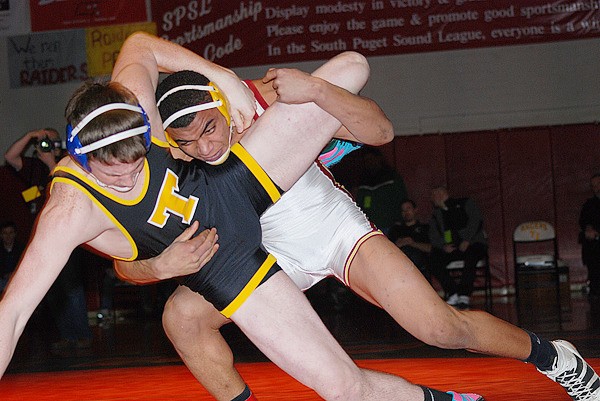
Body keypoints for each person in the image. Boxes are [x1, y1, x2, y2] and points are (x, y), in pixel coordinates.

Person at [0, 31, 484, 401]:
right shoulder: (69, 207)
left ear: (141, 124)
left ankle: (324, 147)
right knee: (342, 388)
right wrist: (155, 268)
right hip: (225, 261)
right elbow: (15, 310)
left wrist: (224, 78)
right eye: (112, 170)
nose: (127, 175)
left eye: (137, 157)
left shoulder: (132, 101)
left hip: (229, 179)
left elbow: (139, 44)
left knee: (350, 68)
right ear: (79, 156)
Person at [114, 50, 600, 401]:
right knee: (181, 317)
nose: (204, 147)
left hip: (332, 229)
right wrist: (157, 264)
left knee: (440, 327)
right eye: (188, 141)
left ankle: (551, 356)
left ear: (221, 106)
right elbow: (122, 257)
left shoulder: (261, 107)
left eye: (209, 129)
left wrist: (314, 90)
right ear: (170, 139)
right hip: (265, 258)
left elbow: (380, 132)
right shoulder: (161, 162)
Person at [4, 127, 92, 351]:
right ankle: (67, 336)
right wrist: (30, 135)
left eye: (52, 142)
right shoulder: (32, 167)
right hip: (40, 238)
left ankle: (82, 335)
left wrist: (52, 162)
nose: (47, 146)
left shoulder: (67, 163)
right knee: (51, 290)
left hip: (66, 236)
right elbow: (9, 157)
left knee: (71, 287)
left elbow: (70, 189)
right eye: (44, 143)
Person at [428, 186, 488, 310]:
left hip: (473, 243)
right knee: (433, 259)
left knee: (471, 256)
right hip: (452, 247)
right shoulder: (437, 214)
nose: (432, 200)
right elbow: (433, 235)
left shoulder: (465, 203)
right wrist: (443, 246)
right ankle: (453, 291)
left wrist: (467, 240)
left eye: (433, 196)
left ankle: (464, 294)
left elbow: (476, 220)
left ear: (440, 194)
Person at [354, 146, 408, 234]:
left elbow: (402, 200)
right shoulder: (363, 182)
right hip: (370, 229)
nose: (369, 162)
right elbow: (362, 205)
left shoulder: (392, 178)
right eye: (367, 160)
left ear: (378, 159)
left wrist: (399, 222)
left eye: (371, 159)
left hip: (392, 227)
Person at [387, 199, 431, 277]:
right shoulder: (396, 229)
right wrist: (397, 245)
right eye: (403, 210)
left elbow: (430, 248)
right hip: (400, 267)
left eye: (408, 208)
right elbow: (386, 249)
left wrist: (412, 243)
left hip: (421, 267)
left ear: (415, 210)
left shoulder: (425, 228)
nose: (406, 212)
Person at [579, 173, 600, 302]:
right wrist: (588, 229)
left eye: (598, 185)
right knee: (591, 248)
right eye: (594, 186)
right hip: (594, 242)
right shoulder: (589, 204)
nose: (596, 188)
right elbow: (583, 221)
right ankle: (595, 288)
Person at [0, 221, 24, 294]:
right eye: (5, 233)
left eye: (11, 233)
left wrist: (14, 274)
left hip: (19, 279)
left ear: (14, 234)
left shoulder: (22, 248)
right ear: (1, 235)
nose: (8, 236)